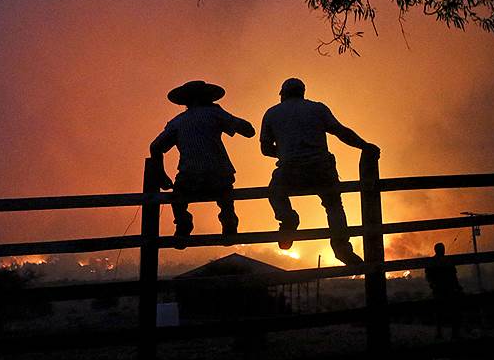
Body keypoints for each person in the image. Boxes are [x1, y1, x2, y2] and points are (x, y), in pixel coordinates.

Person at [259, 77, 379, 265]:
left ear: (282, 94)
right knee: (333, 205)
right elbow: (341, 132)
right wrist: (365, 146)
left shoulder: (272, 113)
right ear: (303, 92)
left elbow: (265, 149)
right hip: (321, 168)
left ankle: (288, 219)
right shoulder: (317, 108)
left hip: (290, 171)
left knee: (274, 192)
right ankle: (341, 248)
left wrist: (286, 154)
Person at [150, 80, 255, 248]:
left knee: (178, 198)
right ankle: (229, 221)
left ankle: (183, 223)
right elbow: (249, 131)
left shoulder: (178, 122)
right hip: (218, 174)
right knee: (225, 196)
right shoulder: (215, 113)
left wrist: (161, 175)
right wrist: (227, 117)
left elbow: (155, 147)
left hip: (190, 175)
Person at [425, 242, 463, 340]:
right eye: (442, 249)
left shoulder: (432, 261)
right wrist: (457, 287)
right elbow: (453, 276)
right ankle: (453, 334)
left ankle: (440, 333)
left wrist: (432, 285)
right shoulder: (447, 261)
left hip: (439, 289)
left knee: (440, 313)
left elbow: (428, 276)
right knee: (451, 312)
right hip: (447, 289)